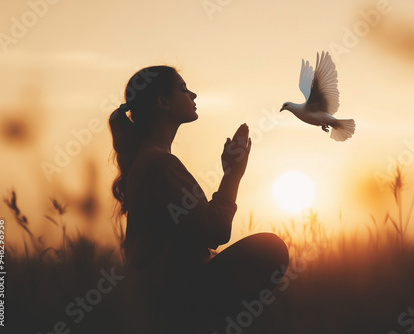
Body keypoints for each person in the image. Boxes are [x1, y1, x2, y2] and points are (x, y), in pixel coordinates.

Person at [109, 65, 289, 333]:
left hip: (159, 299)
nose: (193, 95)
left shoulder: (148, 161)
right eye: (183, 89)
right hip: (174, 304)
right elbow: (215, 230)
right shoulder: (160, 164)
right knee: (271, 249)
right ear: (163, 102)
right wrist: (233, 175)